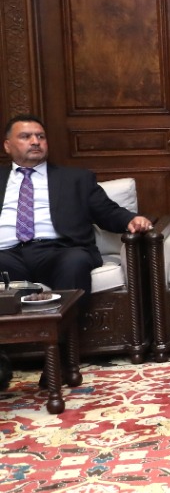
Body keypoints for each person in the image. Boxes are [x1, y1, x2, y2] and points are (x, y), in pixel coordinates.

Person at [0, 114, 153, 390]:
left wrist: (131, 219)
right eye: (26, 137)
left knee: (75, 262)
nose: (35, 141)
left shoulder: (75, 179)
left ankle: (60, 358)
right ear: (7, 145)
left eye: (40, 136)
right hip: (6, 253)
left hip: (58, 250)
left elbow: (106, 211)